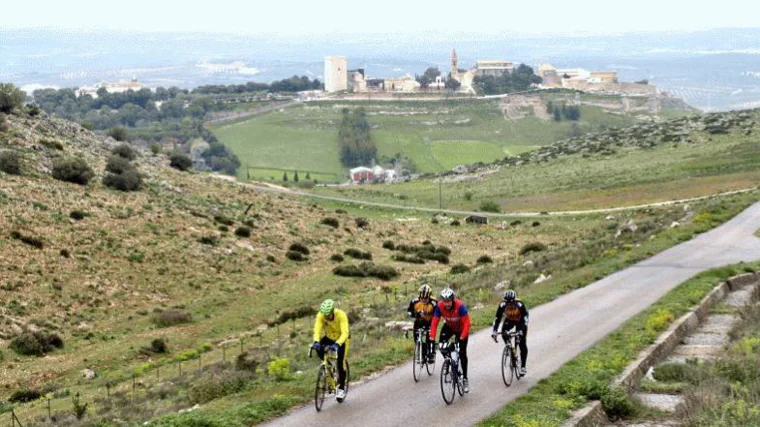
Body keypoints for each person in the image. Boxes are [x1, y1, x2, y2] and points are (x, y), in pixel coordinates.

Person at [430, 287, 472, 393]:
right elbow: (434, 322)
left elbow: (467, 323)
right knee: (441, 346)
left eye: (448, 301)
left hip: (461, 328)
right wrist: (431, 337)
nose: (447, 304)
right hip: (449, 327)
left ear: (452, 300)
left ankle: (465, 379)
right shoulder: (439, 306)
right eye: (445, 301)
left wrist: (462, 338)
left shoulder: (460, 306)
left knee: (462, 353)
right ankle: (449, 363)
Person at [311, 299, 350, 401]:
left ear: (332, 311)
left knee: (340, 363)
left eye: (328, 315)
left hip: (342, 339)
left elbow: (345, 332)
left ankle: (341, 388)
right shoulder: (321, 316)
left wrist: (337, 344)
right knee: (318, 347)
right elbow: (317, 330)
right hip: (329, 337)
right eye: (324, 315)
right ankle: (327, 367)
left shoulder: (341, 315)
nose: (326, 317)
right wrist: (316, 341)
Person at [491, 289, 529, 376]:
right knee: (504, 333)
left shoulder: (520, 304)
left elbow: (525, 319)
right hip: (510, 320)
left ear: (514, 301)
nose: (509, 305)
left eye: (511, 303)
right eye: (508, 304)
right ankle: (510, 349)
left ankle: (523, 367)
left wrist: (520, 331)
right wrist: (494, 331)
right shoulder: (502, 305)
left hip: (520, 321)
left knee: (522, 343)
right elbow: (497, 319)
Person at [406, 284, 437, 363]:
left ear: (429, 296)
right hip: (419, 322)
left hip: (429, 321)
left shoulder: (434, 302)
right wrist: (416, 314)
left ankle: (431, 353)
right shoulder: (414, 301)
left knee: (429, 337)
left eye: (426, 298)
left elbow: (437, 314)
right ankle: (422, 354)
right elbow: (409, 312)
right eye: (422, 298)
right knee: (417, 339)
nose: (424, 300)